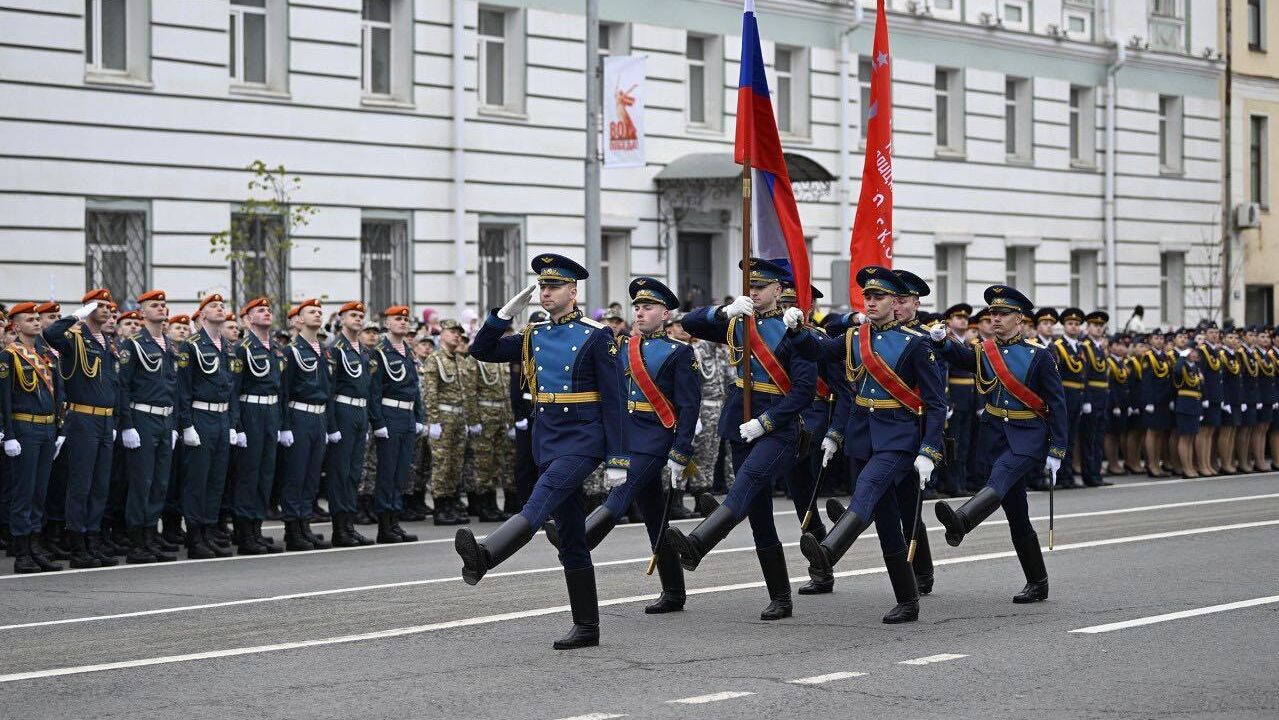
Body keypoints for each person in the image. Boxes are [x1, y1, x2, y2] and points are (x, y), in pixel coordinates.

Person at [458, 254, 626, 649]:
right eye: (541, 287)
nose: (545, 293)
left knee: (540, 500)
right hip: (548, 437)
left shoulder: (596, 335)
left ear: (573, 290)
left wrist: (619, 458)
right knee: (571, 538)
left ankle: (486, 556)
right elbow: (481, 350)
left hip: (583, 439)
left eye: (553, 286)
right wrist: (502, 315)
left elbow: (616, 400)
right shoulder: (534, 335)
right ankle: (587, 626)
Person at [659, 259, 815, 622]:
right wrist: (724, 310)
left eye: (761, 286)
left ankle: (699, 542)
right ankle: (780, 597)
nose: (754, 291)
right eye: (751, 286)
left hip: (777, 425)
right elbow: (690, 322)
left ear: (779, 290)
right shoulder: (738, 322)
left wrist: (768, 421)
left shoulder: (796, 330)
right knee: (759, 514)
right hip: (739, 419)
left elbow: (805, 390)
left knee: (745, 484)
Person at [785, 266, 943, 624]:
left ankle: (828, 551)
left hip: (899, 438)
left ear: (895, 302)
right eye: (867, 297)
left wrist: (929, 450)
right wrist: (795, 331)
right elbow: (818, 350)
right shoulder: (854, 337)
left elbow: (935, 403)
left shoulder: (915, 344)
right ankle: (907, 600)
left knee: (868, 490)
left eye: (879, 297)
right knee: (887, 522)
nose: (871, 303)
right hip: (863, 436)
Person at [544, 277, 700, 613]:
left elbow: (689, 407)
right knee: (654, 515)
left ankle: (582, 537)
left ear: (666, 313)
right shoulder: (622, 347)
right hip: (627, 434)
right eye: (638, 308)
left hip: (656, 437)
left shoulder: (680, 353)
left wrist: (681, 449)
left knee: (621, 493)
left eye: (649, 308)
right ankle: (673, 591)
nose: (641, 313)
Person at [929, 284, 1066, 604]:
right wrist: (941, 341)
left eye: (1004, 314)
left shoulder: (1039, 355)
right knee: (1017, 514)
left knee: (1001, 475)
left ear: (1021, 319)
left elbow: (1057, 404)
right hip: (994, 435)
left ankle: (963, 520)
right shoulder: (984, 350)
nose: (996, 319)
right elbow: (960, 357)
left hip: (1027, 435)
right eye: (993, 314)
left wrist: (1057, 449)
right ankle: (1038, 581)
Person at [776, 273, 850, 595]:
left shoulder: (817, 340)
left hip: (813, 420)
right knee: (799, 499)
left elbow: (844, 391)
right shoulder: (769, 338)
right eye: (784, 304)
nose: (787, 309)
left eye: (794, 304)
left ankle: (821, 568)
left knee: (806, 501)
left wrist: (834, 431)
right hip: (780, 418)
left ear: (810, 308)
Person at [42, 289, 125, 568]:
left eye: (109, 306)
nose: (106, 310)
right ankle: (77, 544)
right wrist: (76, 315)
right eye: (99, 306)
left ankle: (93, 539)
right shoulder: (74, 338)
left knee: (100, 485)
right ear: (89, 308)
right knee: (81, 484)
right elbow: (50, 335)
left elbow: (114, 384)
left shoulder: (108, 343)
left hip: (105, 420)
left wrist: (115, 421)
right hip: (83, 419)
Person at [117, 290, 179, 563]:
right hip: (142, 417)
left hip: (165, 419)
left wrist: (175, 424)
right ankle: (136, 541)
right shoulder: (133, 345)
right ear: (142, 313)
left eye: (164, 305)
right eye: (155, 305)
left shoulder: (170, 345)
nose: (161, 308)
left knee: (160, 482)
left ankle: (151, 533)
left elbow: (175, 389)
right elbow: (123, 387)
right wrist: (127, 425)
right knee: (142, 481)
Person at [2, 302, 64, 572]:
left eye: (38, 318)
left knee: (40, 492)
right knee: (23, 492)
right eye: (30, 319)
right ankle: (22, 552)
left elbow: (59, 394)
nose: (37, 323)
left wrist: (59, 430)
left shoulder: (48, 354)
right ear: (16, 326)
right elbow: (3, 400)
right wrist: (9, 435)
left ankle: (36, 546)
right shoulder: (10, 356)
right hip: (24, 428)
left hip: (47, 428)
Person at [277, 299, 334, 551]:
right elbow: (284, 391)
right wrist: (285, 426)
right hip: (299, 415)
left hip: (318, 417)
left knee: (311, 476)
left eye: (320, 311)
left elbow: (327, 389)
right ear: (298, 320)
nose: (317, 314)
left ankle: (305, 525)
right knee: (296, 474)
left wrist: (329, 425)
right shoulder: (292, 351)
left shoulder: (323, 349)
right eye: (312, 311)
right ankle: (292, 530)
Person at [230, 298, 285, 555]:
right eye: (260, 310)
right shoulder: (243, 348)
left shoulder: (274, 348)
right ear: (247, 319)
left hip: (270, 412)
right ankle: (244, 533)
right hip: (251, 411)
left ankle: (257, 528)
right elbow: (234, 390)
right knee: (249, 474)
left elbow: (280, 390)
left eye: (268, 310)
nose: (267, 313)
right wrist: (237, 426)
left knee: (266, 474)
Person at [370, 304, 425, 544]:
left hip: (406, 416)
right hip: (390, 414)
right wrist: (378, 422)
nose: (403, 322)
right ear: (387, 324)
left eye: (405, 319)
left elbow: (415, 390)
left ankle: (395, 520)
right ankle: (385, 525)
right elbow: (373, 391)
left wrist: (419, 419)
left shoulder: (408, 352)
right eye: (397, 319)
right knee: (387, 472)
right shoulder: (380, 352)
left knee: (402, 471)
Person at [324, 301, 375, 547]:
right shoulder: (335, 349)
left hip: (359, 411)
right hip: (343, 410)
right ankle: (339, 528)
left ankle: (349, 524)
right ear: (342, 319)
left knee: (355, 473)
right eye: (353, 315)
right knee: (340, 472)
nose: (358, 319)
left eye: (360, 316)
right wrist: (331, 425)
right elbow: (329, 389)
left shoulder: (363, 350)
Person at [422, 318, 476, 526]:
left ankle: (452, 502)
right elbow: (430, 392)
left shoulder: (460, 360)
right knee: (442, 464)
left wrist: (469, 419)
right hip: (443, 419)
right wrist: (433, 421)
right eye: (452, 331)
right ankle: (440, 507)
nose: (456, 335)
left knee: (456, 464)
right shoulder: (434, 359)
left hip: (459, 417)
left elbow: (468, 393)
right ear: (442, 334)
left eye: (458, 332)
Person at [471, 339, 517, 522]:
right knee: (483, 464)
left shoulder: (501, 362)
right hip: (484, 417)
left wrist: (509, 419)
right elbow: (470, 392)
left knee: (497, 462)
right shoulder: (475, 360)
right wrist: (474, 420)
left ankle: (492, 505)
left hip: (500, 417)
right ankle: (483, 505)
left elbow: (506, 393)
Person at [942, 303, 977, 496]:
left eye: (965, 318)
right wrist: (947, 400)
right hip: (955, 399)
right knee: (953, 443)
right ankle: (952, 483)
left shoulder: (967, 344)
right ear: (949, 322)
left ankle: (962, 482)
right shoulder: (948, 342)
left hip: (969, 399)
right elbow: (944, 373)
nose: (963, 320)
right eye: (958, 317)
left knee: (964, 444)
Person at [1079, 311, 1111, 487]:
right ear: (1088, 327)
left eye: (1101, 326)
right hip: (1091, 397)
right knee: (1089, 439)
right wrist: (1087, 400)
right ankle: (1089, 474)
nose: (1098, 328)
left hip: (1103, 398)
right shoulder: (1085, 347)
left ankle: (1097, 473)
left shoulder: (1100, 348)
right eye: (1095, 325)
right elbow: (1084, 375)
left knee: (1099, 439)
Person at [1172, 348, 1203, 477]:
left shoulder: (1196, 368)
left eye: (1196, 352)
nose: (1195, 354)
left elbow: (1200, 386)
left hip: (1194, 403)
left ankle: (1190, 466)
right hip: (1184, 404)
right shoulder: (1182, 365)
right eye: (1192, 352)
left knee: (1191, 437)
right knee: (1185, 437)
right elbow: (1176, 371)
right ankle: (1186, 468)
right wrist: (1181, 357)